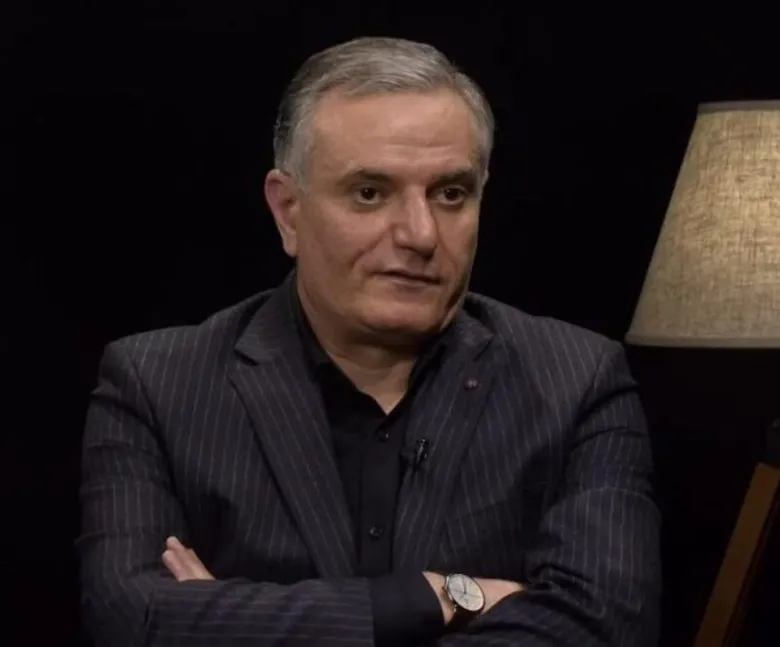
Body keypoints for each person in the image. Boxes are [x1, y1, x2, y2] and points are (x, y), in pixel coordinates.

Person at [78, 37, 661, 647]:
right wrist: (439, 596)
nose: (421, 233)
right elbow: (134, 620)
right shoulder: (157, 385)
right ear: (288, 211)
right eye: (370, 193)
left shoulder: (578, 381)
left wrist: (232, 623)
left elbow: (607, 626)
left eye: (451, 194)